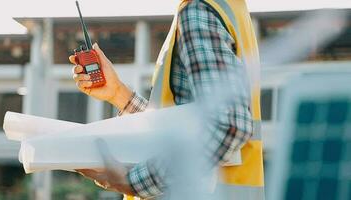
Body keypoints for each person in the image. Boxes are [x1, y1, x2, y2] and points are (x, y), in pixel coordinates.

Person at [69, 0, 264, 199]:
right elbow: (182, 129)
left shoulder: (198, 11)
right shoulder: (226, 7)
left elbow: (227, 126)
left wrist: (132, 181)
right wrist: (118, 93)